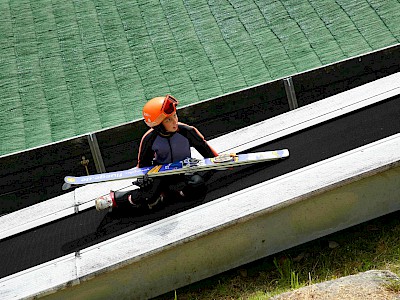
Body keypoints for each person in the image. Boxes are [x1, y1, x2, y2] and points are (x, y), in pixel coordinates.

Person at [95, 94, 218, 211]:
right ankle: (113, 199)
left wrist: (224, 160)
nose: (175, 122)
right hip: (161, 175)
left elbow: (209, 154)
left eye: (175, 116)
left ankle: (169, 194)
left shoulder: (187, 131)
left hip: (185, 172)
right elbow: (143, 165)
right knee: (149, 196)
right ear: (158, 125)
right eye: (168, 120)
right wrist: (144, 178)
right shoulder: (149, 139)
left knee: (198, 184)